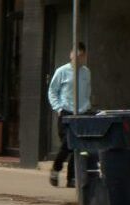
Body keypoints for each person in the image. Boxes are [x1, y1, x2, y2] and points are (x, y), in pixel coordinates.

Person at [48, 42, 92, 188]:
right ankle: (56, 168)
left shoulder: (86, 72)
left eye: (81, 56)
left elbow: (87, 91)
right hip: (66, 113)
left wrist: (87, 106)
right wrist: (58, 108)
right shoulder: (62, 71)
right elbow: (52, 91)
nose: (78, 59)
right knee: (68, 143)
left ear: (84, 56)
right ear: (71, 55)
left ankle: (71, 178)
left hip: (82, 113)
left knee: (78, 146)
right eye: (76, 56)